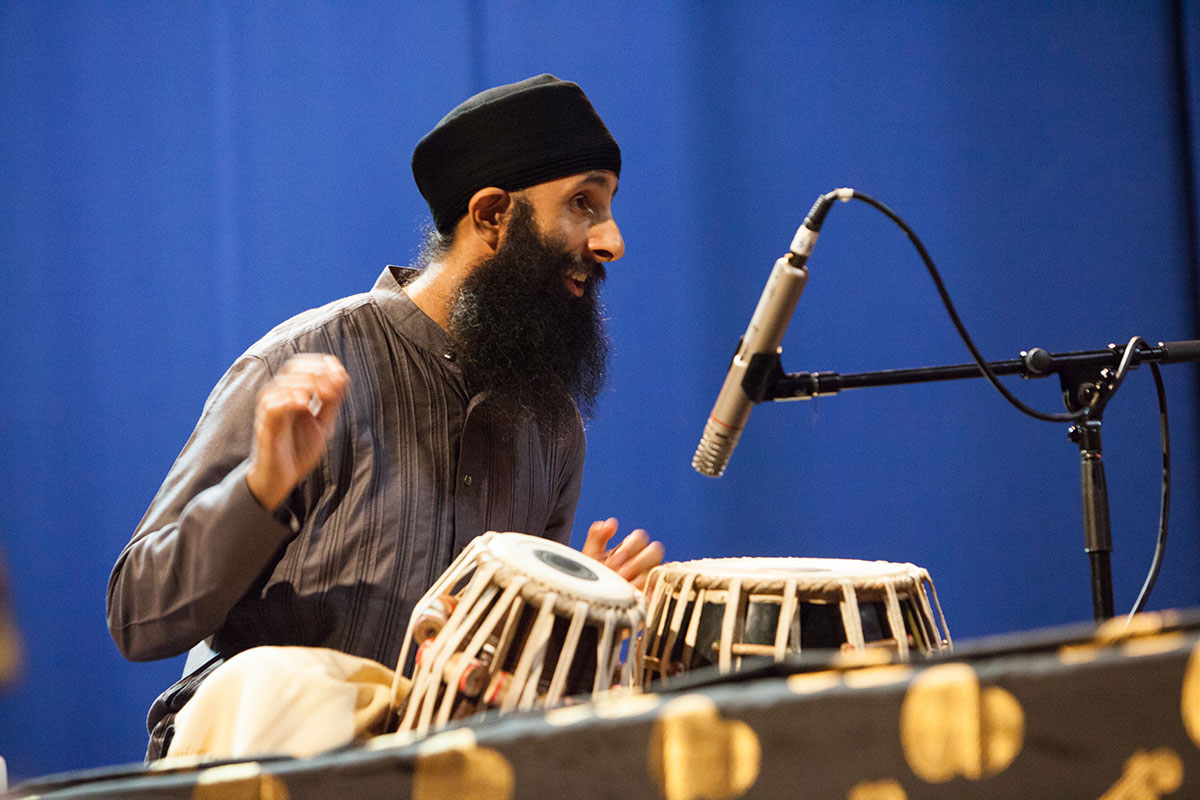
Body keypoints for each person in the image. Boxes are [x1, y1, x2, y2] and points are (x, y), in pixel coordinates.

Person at [106, 74, 664, 759]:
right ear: (491, 215)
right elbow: (138, 619)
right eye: (582, 204)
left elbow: (479, 681)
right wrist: (259, 489)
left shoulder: (552, 428)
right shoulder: (302, 363)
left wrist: (564, 614)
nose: (611, 240)